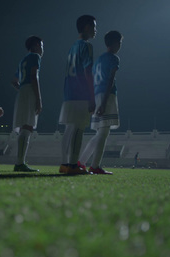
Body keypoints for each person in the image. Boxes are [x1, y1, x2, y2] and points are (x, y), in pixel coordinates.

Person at [78, 31, 123, 174]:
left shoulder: (98, 60)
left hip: (97, 94)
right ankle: (95, 166)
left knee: (100, 132)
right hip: (107, 96)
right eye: (120, 42)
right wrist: (104, 102)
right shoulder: (113, 58)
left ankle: (82, 161)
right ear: (116, 43)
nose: (120, 45)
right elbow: (110, 79)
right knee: (104, 133)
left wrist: (93, 100)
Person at [58, 15, 97, 175]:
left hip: (69, 91)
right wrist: (92, 96)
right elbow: (88, 71)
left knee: (69, 129)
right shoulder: (86, 46)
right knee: (78, 129)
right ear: (87, 27)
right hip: (80, 92)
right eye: (94, 26)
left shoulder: (72, 46)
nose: (96, 29)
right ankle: (73, 164)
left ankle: (65, 163)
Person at [11, 35, 43, 172]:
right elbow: (33, 76)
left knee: (25, 126)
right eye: (41, 46)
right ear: (36, 45)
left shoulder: (22, 60)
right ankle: (20, 163)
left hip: (22, 91)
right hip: (29, 90)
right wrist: (38, 98)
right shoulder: (35, 57)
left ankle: (20, 162)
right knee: (28, 126)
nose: (42, 49)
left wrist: (21, 89)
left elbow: (14, 81)